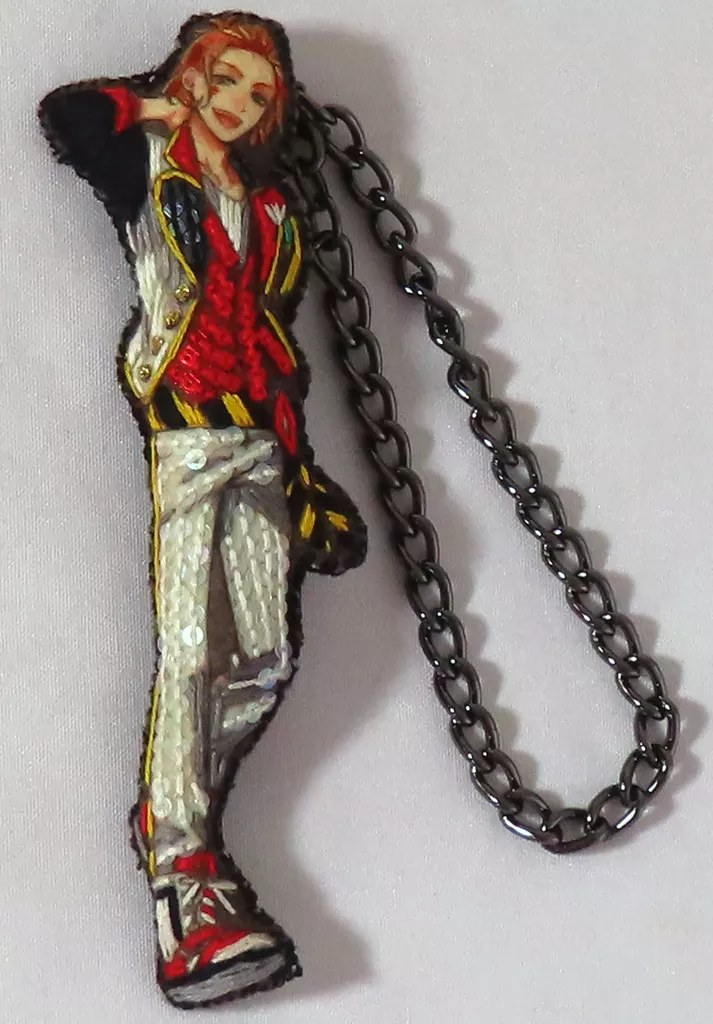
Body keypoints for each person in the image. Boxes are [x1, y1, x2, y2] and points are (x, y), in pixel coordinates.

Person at [38, 10, 366, 1009]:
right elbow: (67, 115)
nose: (237, 103)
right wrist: (159, 108)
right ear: (192, 75)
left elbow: (271, 330)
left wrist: (299, 458)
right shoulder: (148, 166)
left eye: (257, 93)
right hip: (184, 435)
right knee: (190, 650)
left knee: (263, 655)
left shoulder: (268, 206)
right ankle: (184, 880)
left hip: (259, 437)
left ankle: (169, 810)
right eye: (223, 79)